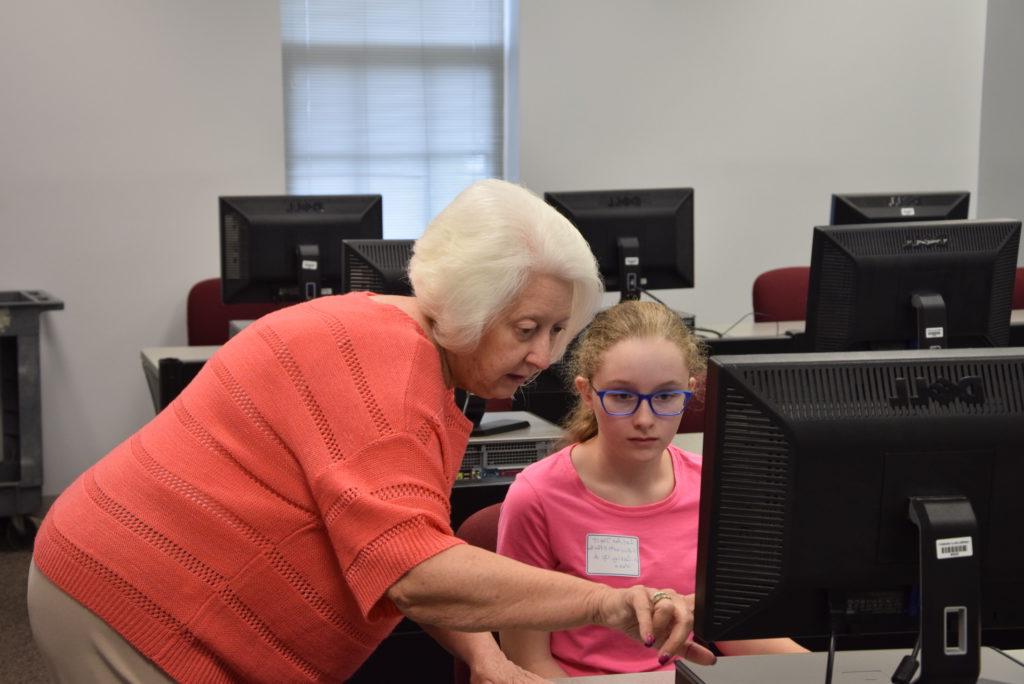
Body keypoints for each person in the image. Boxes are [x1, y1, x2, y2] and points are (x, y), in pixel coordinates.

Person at [28, 180, 715, 684]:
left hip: (146, 596)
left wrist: (484, 655)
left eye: (557, 331)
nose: (541, 357)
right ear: (466, 310)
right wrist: (610, 603)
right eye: (524, 330)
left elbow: (393, 552)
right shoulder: (388, 369)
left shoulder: (410, 356)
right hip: (135, 604)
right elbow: (417, 574)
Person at [497, 300, 806, 678]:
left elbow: (740, 637)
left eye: (665, 397)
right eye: (623, 397)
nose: (645, 420)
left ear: (690, 391)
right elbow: (527, 661)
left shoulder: (714, 489)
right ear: (587, 392)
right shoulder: (537, 496)